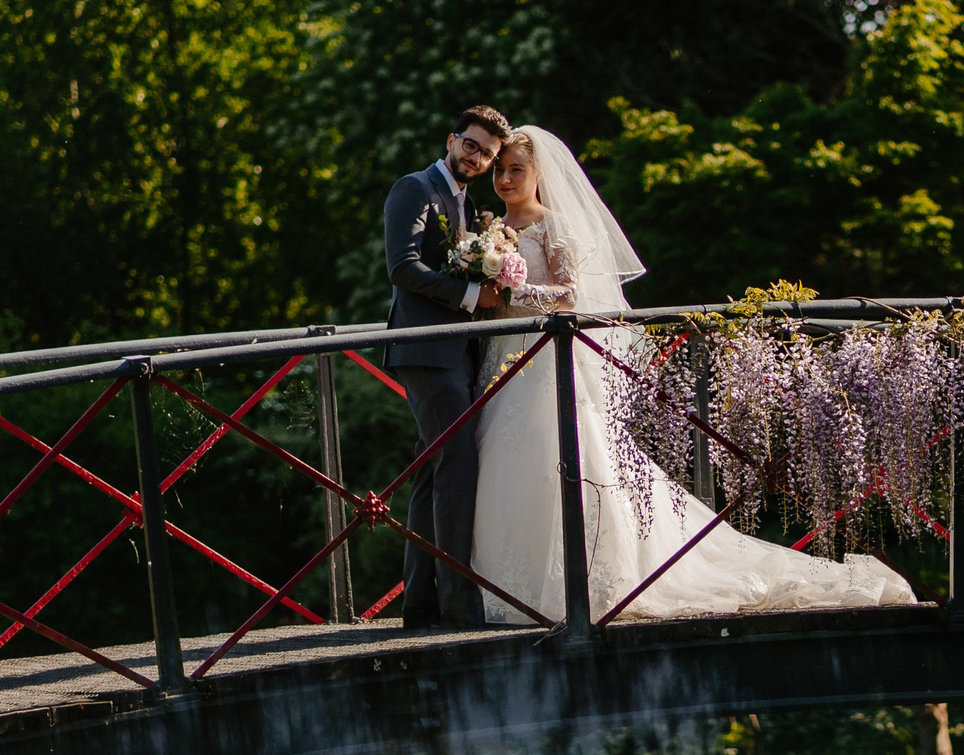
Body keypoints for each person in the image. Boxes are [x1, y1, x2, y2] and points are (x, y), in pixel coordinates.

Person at [468, 126, 915, 625]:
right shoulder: (490, 229)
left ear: (538, 175)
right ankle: (507, 586)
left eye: (516, 170)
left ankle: (578, 583)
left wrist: (513, 293)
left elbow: (570, 296)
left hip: (548, 362)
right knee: (505, 462)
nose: (505, 179)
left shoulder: (554, 227)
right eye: (501, 170)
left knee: (554, 455)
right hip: (504, 362)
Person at [383, 106, 512, 628]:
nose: (477, 158)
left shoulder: (468, 202)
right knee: (457, 466)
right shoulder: (413, 188)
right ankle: (460, 608)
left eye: (488, 154)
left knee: (434, 475)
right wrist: (470, 295)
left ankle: (419, 603)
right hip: (425, 350)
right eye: (472, 146)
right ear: (451, 138)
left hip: (456, 352)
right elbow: (402, 266)